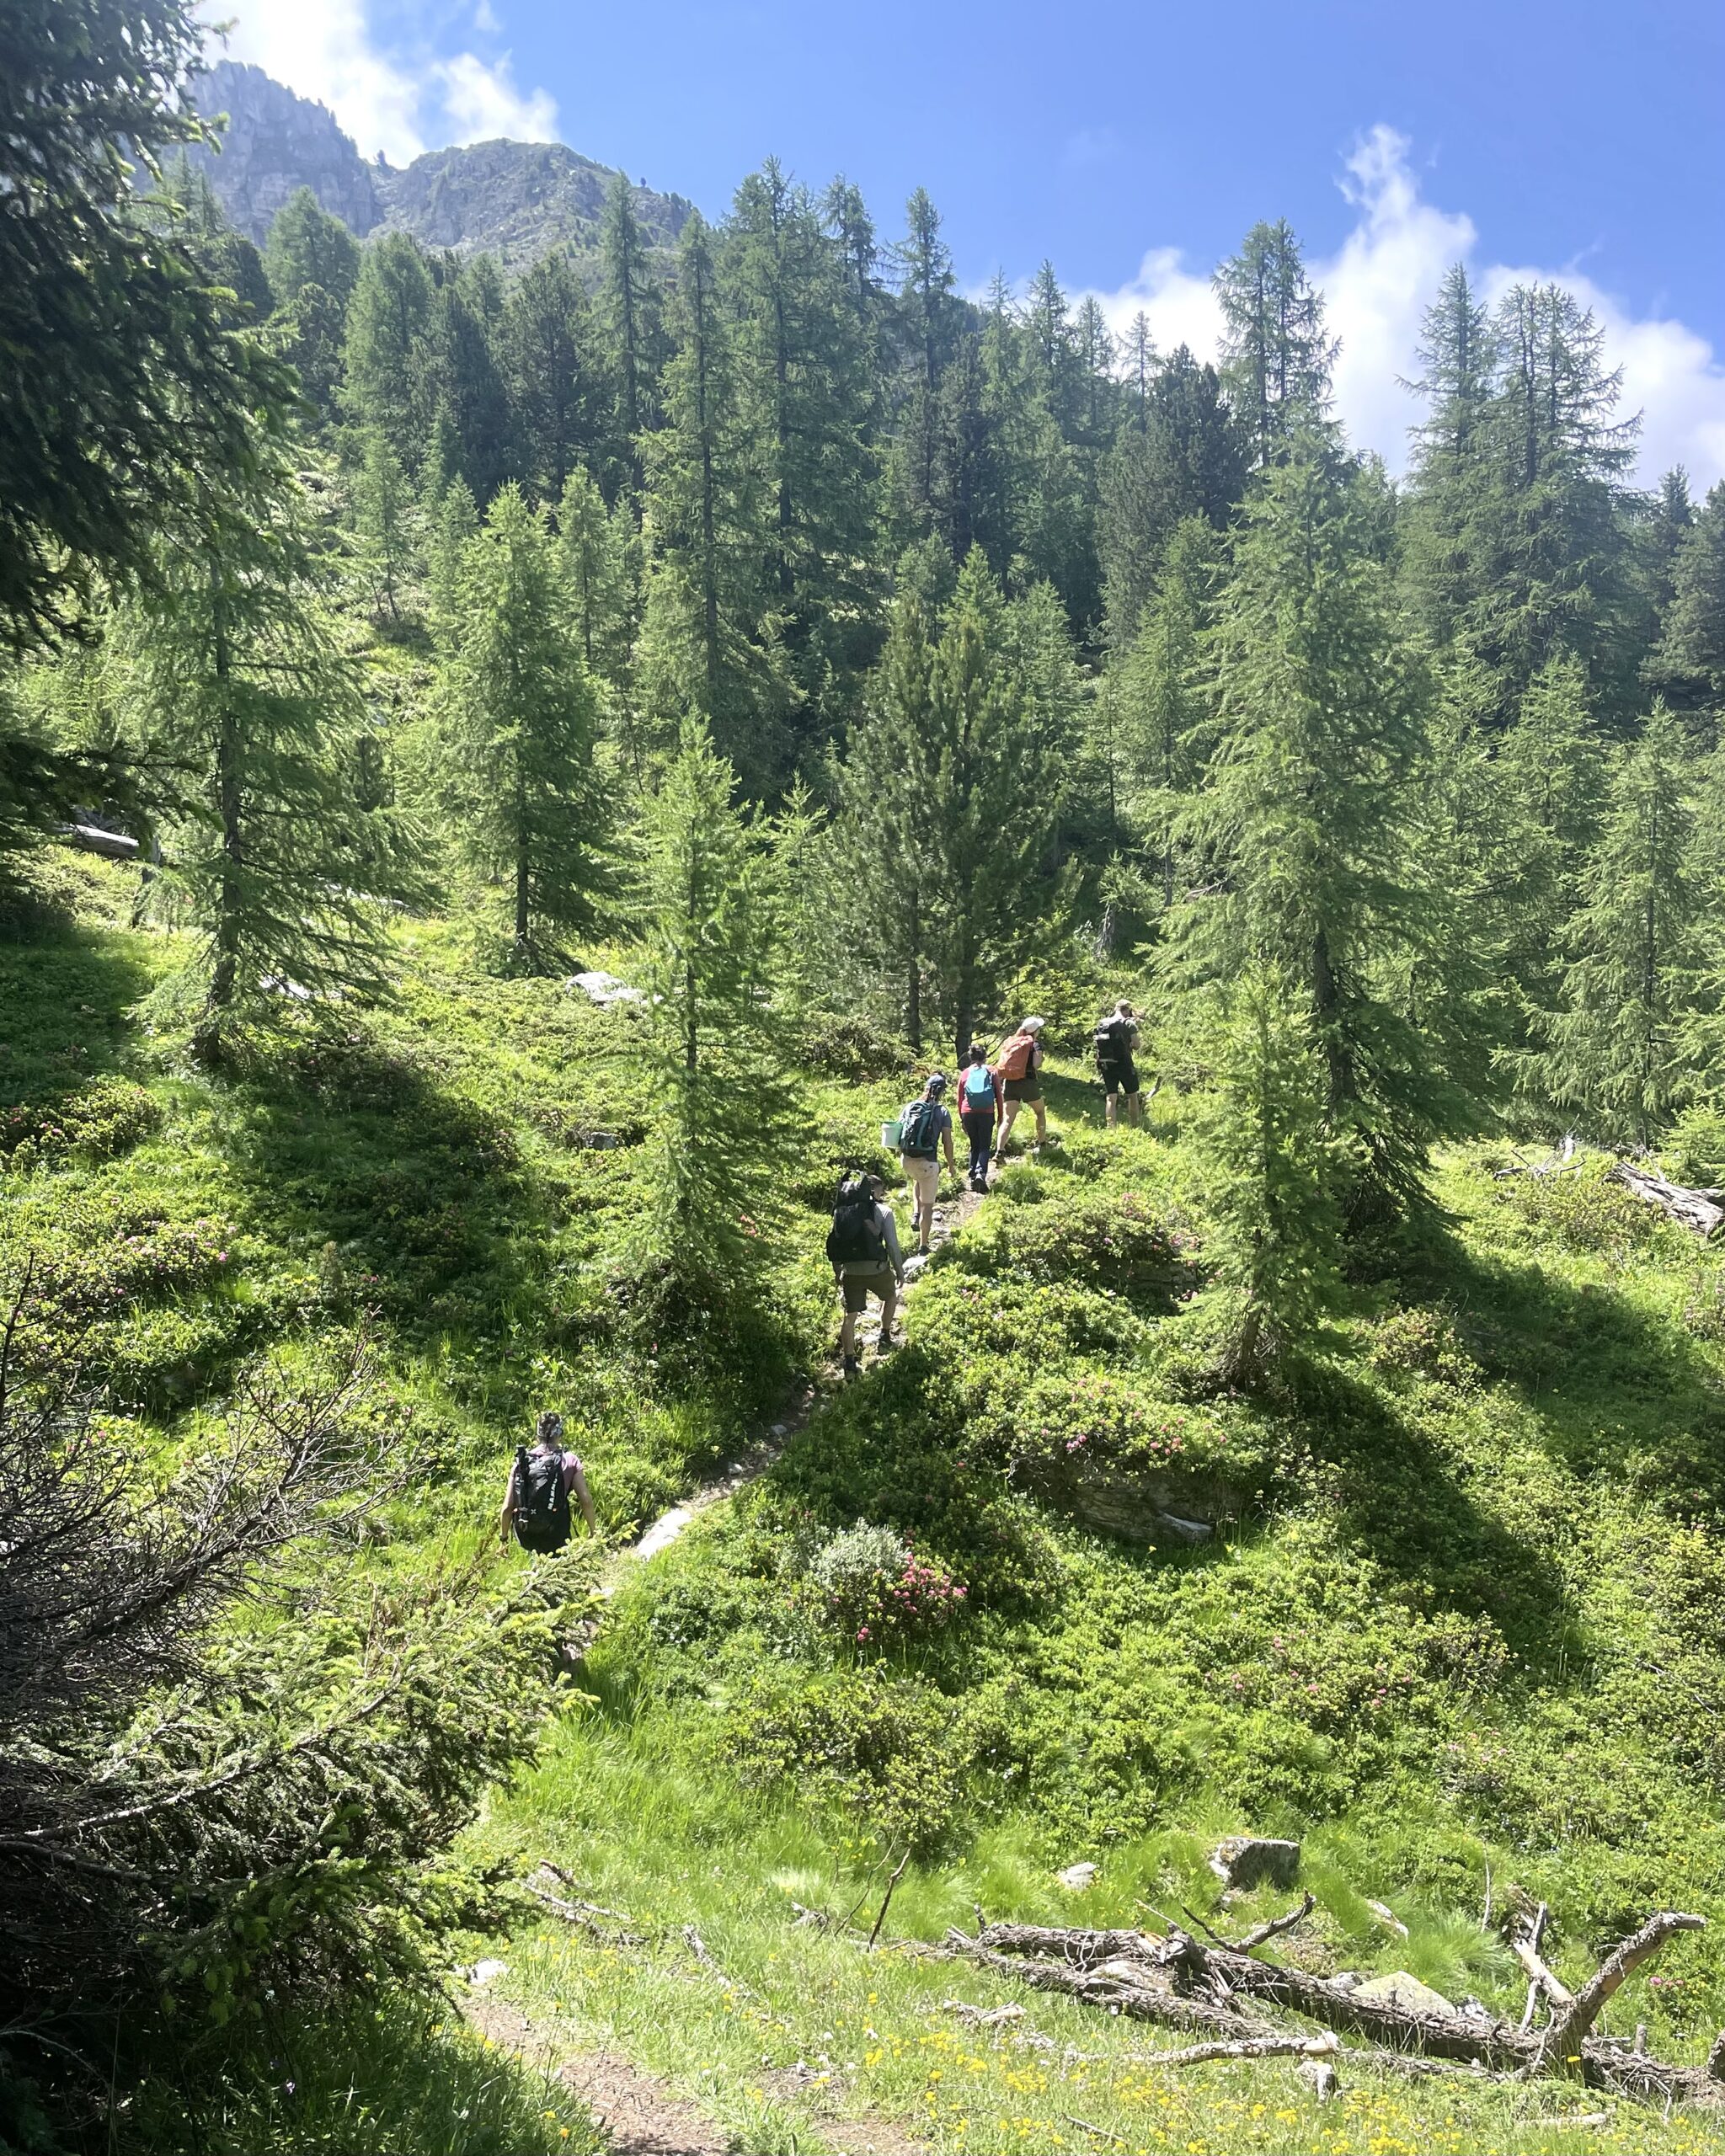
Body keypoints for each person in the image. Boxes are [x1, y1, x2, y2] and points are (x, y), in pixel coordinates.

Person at [826, 1171, 905, 1375]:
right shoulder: (883, 1211)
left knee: (849, 1316)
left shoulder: (841, 1212)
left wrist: (838, 1272)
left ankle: (849, 1362)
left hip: (850, 1272)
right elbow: (892, 1245)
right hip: (877, 1269)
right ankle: (884, 1336)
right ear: (873, 1192)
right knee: (891, 1296)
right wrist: (899, 1271)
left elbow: (836, 1242)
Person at [500, 1411, 596, 1553]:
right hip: (556, 1530)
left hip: (527, 1531)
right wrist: (593, 1532)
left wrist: (503, 1539)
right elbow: (586, 1500)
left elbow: (508, 1506)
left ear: (537, 1434)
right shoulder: (570, 1460)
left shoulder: (522, 1461)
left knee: (535, 1561)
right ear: (560, 1433)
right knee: (560, 1562)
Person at [897, 1070, 957, 1253]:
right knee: (928, 1207)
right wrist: (951, 1166)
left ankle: (915, 1214)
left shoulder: (910, 1106)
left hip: (907, 1161)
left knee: (917, 1179)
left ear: (927, 1087)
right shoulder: (942, 1111)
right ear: (942, 1092)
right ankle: (923, 1245)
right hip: (928, 1164)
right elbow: (947, 1142)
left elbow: (897, 1131)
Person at [992, 1016, 1048, 1164]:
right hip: (1027, 1082)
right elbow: (1036, 1065)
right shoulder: (1035, 1044)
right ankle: (1042, 1144)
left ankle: (999, 1151)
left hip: (1010, 1083)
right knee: (1040, 1112)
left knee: (1007, 1119)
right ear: (1035, 1031)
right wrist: (1041, 1059)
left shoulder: (1012, 1042)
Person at [1094, 999, 1144, 1130]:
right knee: (1132, 1095)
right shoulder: (1128, 1023)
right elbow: (1137, 1045)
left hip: (1107, 1063)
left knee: (1111, 1097)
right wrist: (1130, 1044)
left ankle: (1111, 1129)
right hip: (1123, 1063)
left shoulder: (1103, 1023)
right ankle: (1134, 1127)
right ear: (1126, 1010)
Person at [957, 1043, 1000, 1192]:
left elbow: (960, 1098)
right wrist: (1001, 1116)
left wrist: (962, 1118)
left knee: (974, 1144)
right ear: (985, 1056)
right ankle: (981, 1173)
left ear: (971, 1057)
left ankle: (972, 1175)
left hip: (968, 1113)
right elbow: (999, 1096)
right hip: (986, 1113)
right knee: (984, 1146)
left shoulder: (965, 1073)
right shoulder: (991, 1071)